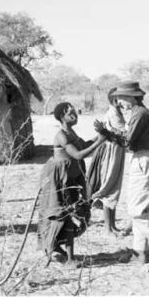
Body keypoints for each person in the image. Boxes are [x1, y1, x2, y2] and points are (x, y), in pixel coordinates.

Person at [95, 81, 149, 266]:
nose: (119, 103)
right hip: (144, 158)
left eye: (121, 99)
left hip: (144, 159)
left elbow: (127, 142)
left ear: (132, 97)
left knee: (136, 210)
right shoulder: (139, 113)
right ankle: (140, 253)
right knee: (140, 209)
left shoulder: (140, 114)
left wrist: (106, 133)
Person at [37, 102, 105, 269]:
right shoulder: (61, 134)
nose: (75, 115)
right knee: (63, 214)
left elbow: (84, 145)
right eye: (71, 113)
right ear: (62, 116)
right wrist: (99, 142)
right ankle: (69, 258)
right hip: (59, 179)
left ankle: (59, 250)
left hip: (70, 178)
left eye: (75, 112)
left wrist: (101, 136)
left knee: (71, 212)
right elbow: (78, 154)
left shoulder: (71, 132)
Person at [87, 88, 127, 237]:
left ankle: (112, 225)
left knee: (113, 187)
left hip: (116, 151)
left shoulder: (117, 113)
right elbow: (122, 134)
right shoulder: (113, 114)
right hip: (112, 153)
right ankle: (109, 228)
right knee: (109, 187)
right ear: (115, 100)